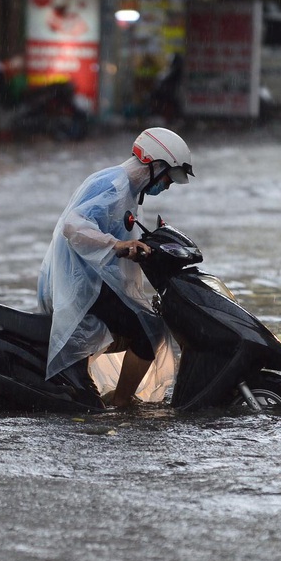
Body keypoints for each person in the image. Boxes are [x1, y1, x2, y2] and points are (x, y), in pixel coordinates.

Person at [38, 127, 193, 408]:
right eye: (168, 177)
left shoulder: (130, 191)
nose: (167, 186)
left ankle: (103, 389)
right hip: (83, 285)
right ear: (155, 165)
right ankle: (122, 405)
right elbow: (74, 227)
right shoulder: (113, 185)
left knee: (145, 324)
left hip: (94, 282)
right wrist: (116, 245)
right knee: (150, 331)